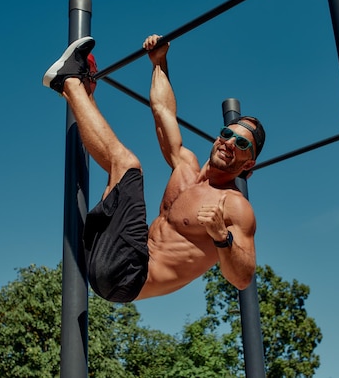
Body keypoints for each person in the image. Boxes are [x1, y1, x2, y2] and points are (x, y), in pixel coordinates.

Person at [42, 34, 266, 303]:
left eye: (241, 143)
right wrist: (160, 62)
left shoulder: (233, 205)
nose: (229, 142)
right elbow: (163, 111)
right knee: (120, 172)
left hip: (129, 278)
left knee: (126, 165)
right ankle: (81, 91)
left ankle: (69, 80)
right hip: (108, 254)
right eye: (226, 134)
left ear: (249, 163)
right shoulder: (185, 166)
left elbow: (243, 278)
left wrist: (222, 237)